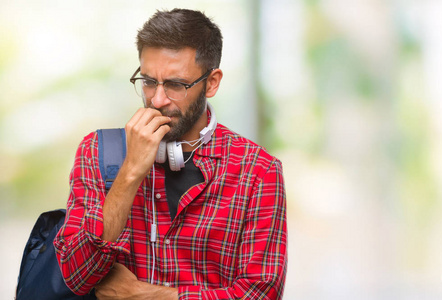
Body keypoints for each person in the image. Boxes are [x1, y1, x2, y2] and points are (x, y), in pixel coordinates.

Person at [54, 8, 287, 300]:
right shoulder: (96, 152)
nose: (157, 99)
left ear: (212, 82)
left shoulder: (258, 171)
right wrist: (129, 174)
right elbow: (76, 276)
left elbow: (261, 293)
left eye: (176, 84)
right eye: (149, 81)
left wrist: (146, 295)